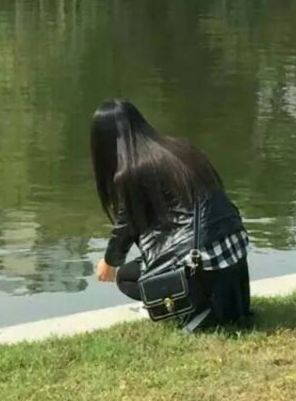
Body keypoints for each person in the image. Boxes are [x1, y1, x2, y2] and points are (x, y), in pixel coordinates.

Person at [91, 99, 251, 331]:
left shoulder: (132, 170)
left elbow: (126, 226)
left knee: (126, 278)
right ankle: (206, 303)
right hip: (232, 250)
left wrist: (109, 262)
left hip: (202, 259)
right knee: (138, 270)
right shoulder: (181, 148)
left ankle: (194, 308)